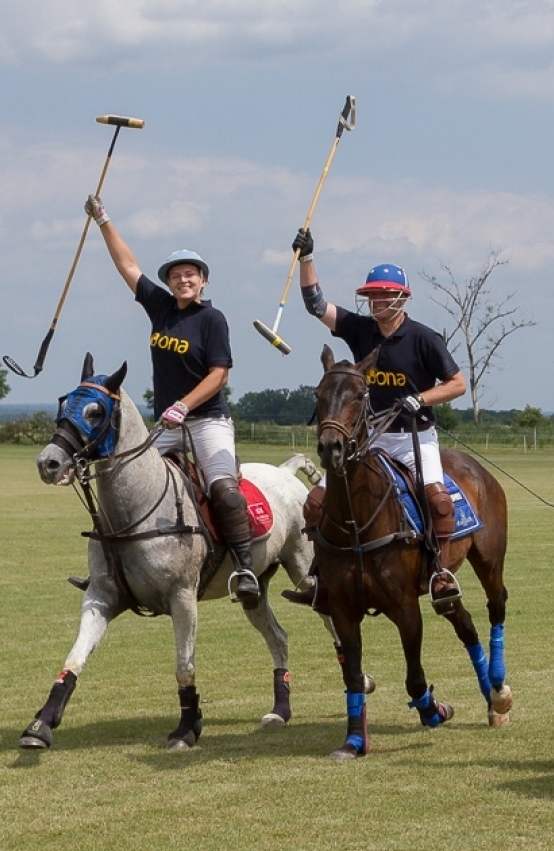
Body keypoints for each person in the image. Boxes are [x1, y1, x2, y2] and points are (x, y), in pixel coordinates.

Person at [84, 194, 260, 604]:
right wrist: (103, 218)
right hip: (167, 423)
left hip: (207, 420)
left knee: (224, 490)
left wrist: (185, 404)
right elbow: (127, 266)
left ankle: (246, 568)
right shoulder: (161, 308)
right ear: (169, 282)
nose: (184, 280)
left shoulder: (212, 319)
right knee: (121, 475)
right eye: (177, 275)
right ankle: (111, 568)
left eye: (191, 274)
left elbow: (219, 374)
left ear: (203, 280)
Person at [285, 232, 469, 612]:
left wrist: (421, 397)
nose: (377, 301)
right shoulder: (359, 329)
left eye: (384, 294)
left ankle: (439, 573)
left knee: (436, 499)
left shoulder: (423, 338)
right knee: (318, 503)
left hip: (414, 438)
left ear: (402, 297)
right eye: (371, 295)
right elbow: (315, 304)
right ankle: (322, 577)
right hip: (368, 440)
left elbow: (458, 384)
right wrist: (307, 258)